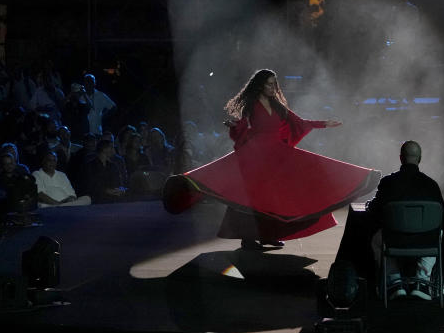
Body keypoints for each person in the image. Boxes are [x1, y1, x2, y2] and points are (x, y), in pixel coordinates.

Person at [163, 69, 380, 249]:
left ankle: (269, 235)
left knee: (276, 196)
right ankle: (248, 238)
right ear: (259, 85)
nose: (272, 88)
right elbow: (243, 127)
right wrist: (234, 127)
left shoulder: (278, 105)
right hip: (256, 156)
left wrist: (324, 124)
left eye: (274, 84)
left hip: (276, 155)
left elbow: (299, 122)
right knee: (253, 196)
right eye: (268, 84)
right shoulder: (250, 105)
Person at [366, 140, 444, 300]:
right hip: (426, 242)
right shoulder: (431, 185)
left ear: (401, 158)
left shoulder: (388, 182)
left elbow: (374, 210)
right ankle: (422, 282)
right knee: (440, 233)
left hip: (396, 241)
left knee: (377, 238)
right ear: (420, 159)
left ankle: (395, 281)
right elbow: (442, 215)